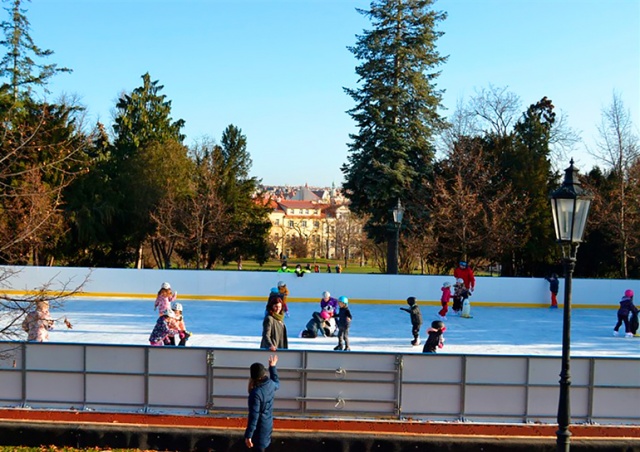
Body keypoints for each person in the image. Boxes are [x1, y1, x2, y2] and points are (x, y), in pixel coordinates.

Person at [245, 355, 280, 452]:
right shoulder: (270, 384)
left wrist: (249, 435)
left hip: (259, 430)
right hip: (268, 424)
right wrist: (272, 367)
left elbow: (254, 416)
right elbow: (277, 383)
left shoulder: (255, 393)